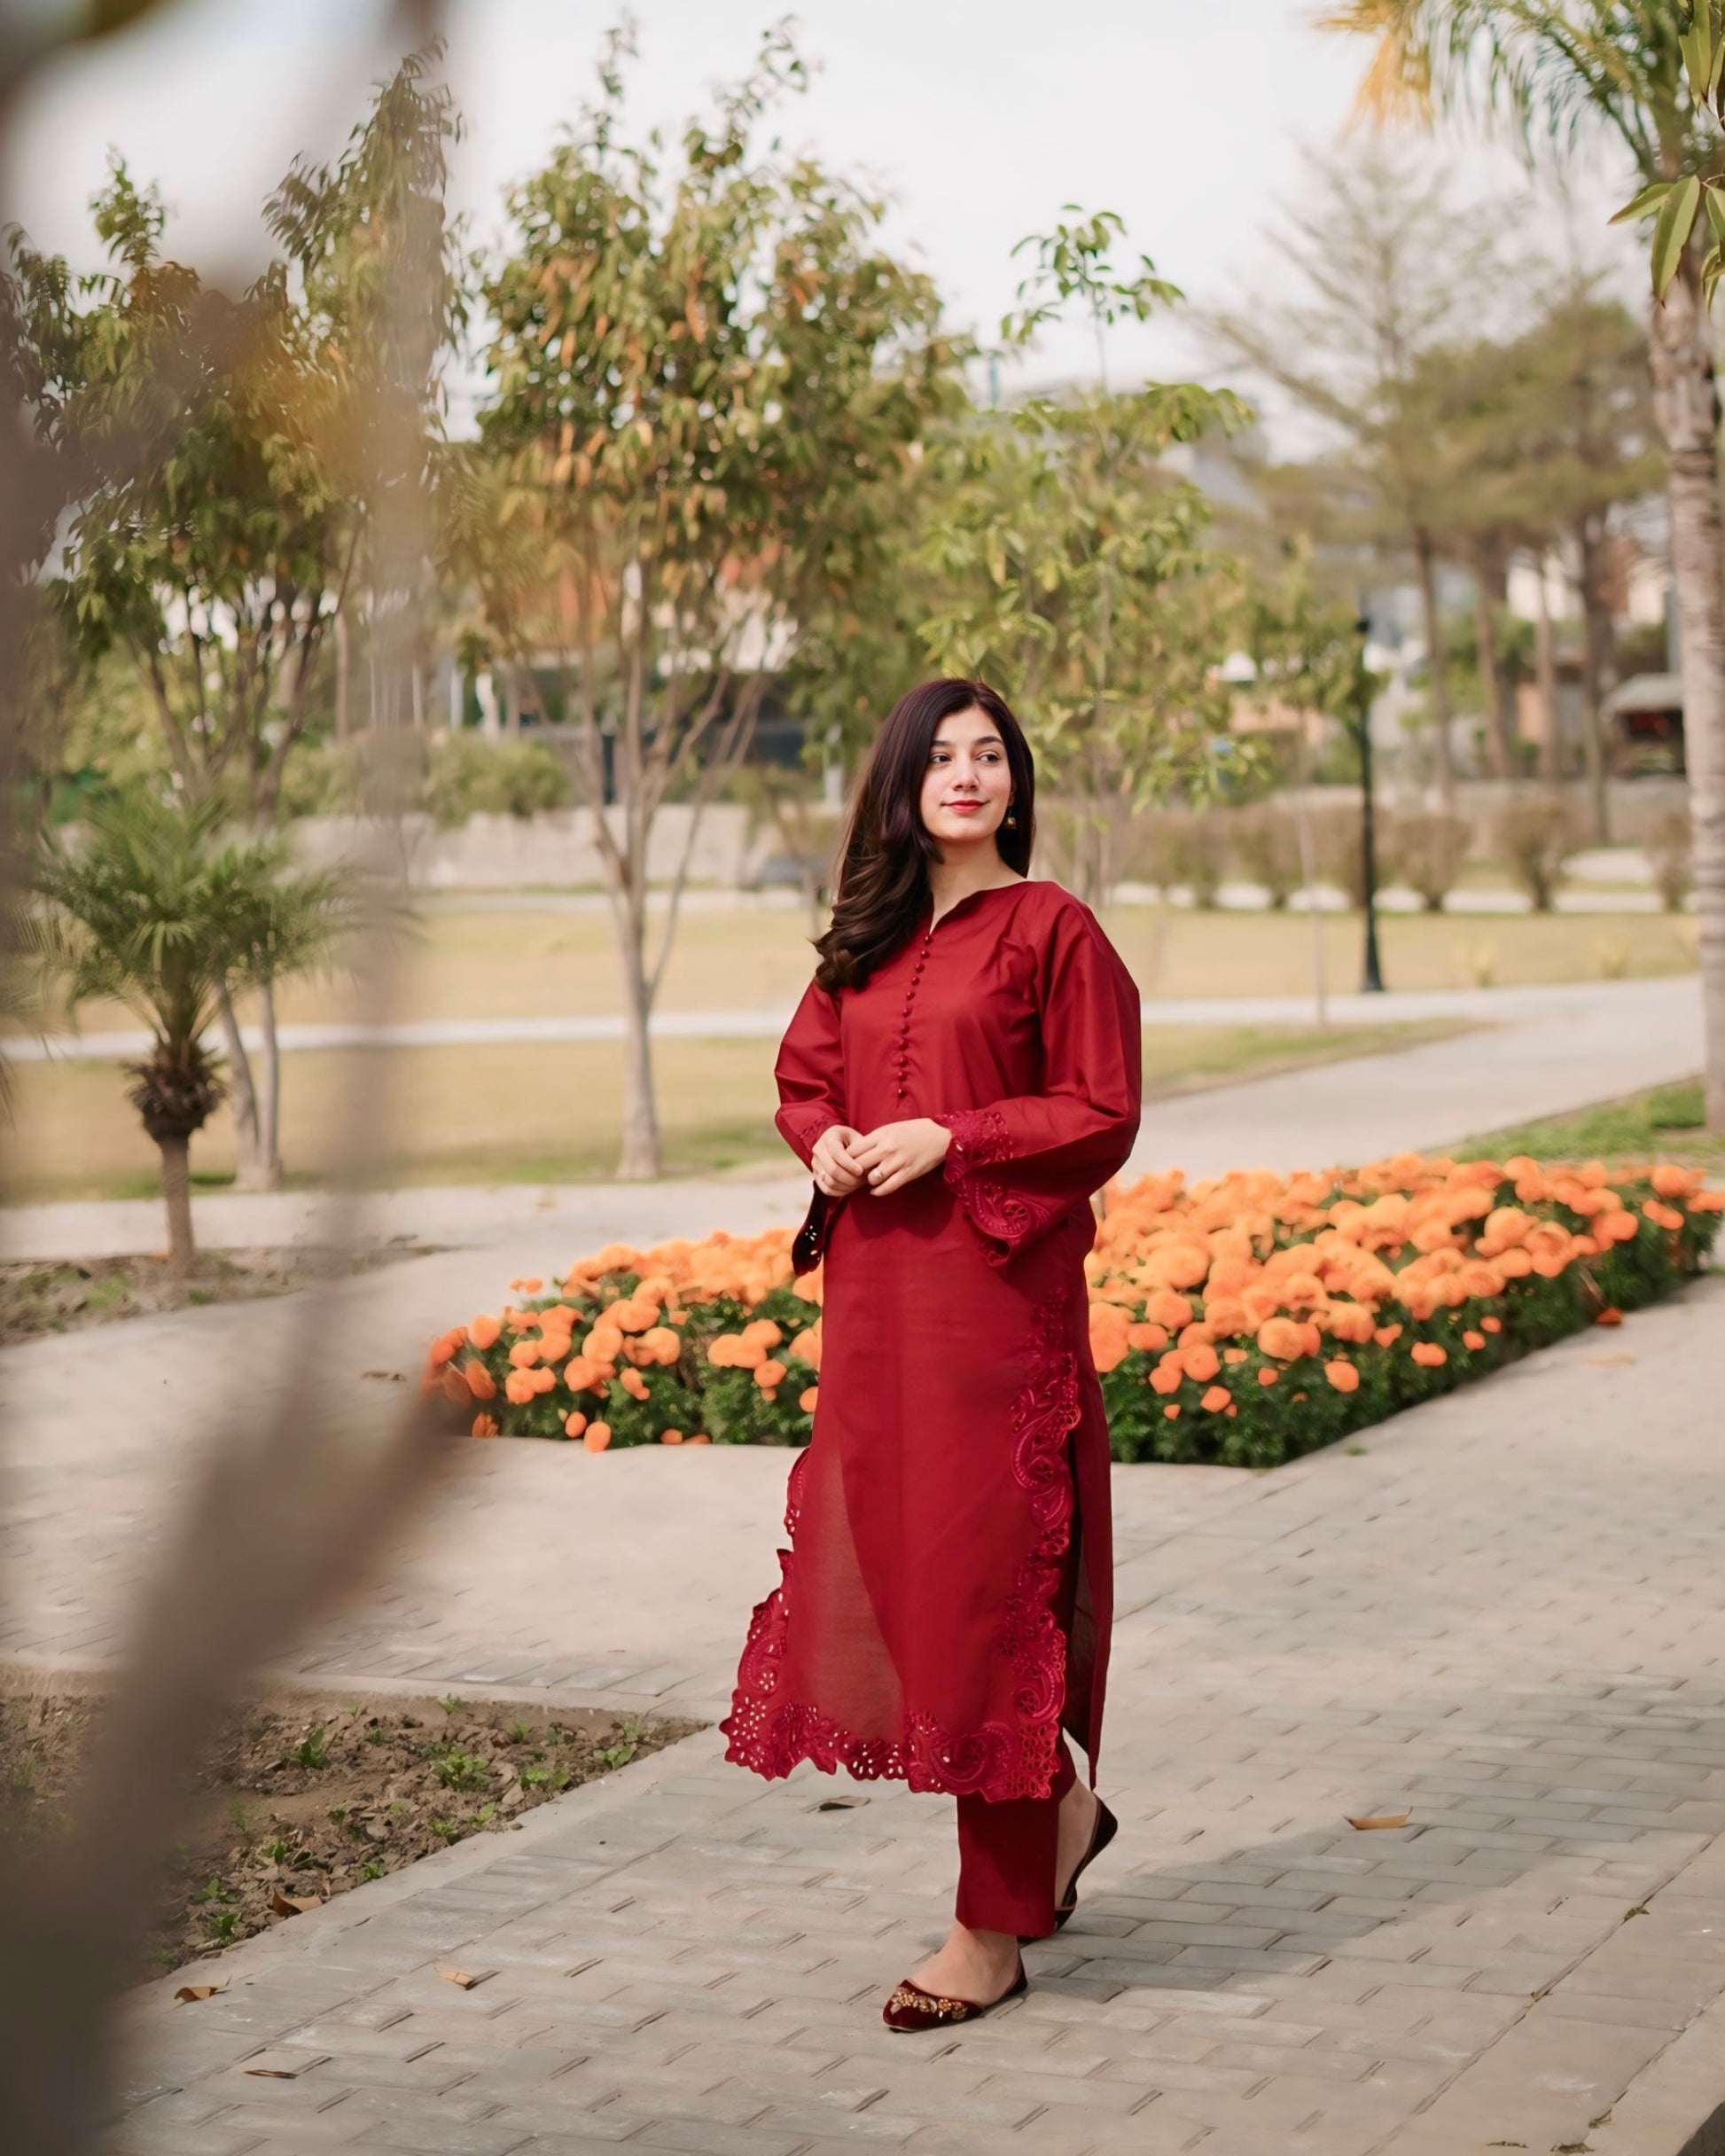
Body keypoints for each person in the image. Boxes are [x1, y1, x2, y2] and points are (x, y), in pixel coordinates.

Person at [721, 676, 1143, 2031]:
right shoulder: (864, 940)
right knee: (905, 1588)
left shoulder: (1053, 929)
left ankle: (989, 1928)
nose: (966, 774)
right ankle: (1057, 1810)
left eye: (989, 755)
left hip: (995, 1319)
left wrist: (956, 1138)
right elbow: (804, 1078)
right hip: (875, 1317)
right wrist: (829, 1144)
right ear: (901, 783)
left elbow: (1100, 1107)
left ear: (1015, 782)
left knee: (984, 1608)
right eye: (941, 756)